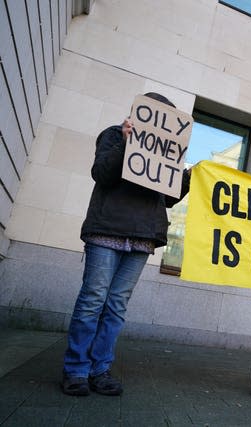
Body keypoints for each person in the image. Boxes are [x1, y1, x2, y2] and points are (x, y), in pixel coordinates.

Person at [61, 93, 191, 396]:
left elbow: (168, 199)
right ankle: (76, 370)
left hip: (142, 237)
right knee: (93, 300)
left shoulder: (168, 151)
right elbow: (101, 174)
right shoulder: (112, 135)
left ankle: (100, 370)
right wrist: (124, 142)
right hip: (107, 229)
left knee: (117, 306)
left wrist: (186, 177)